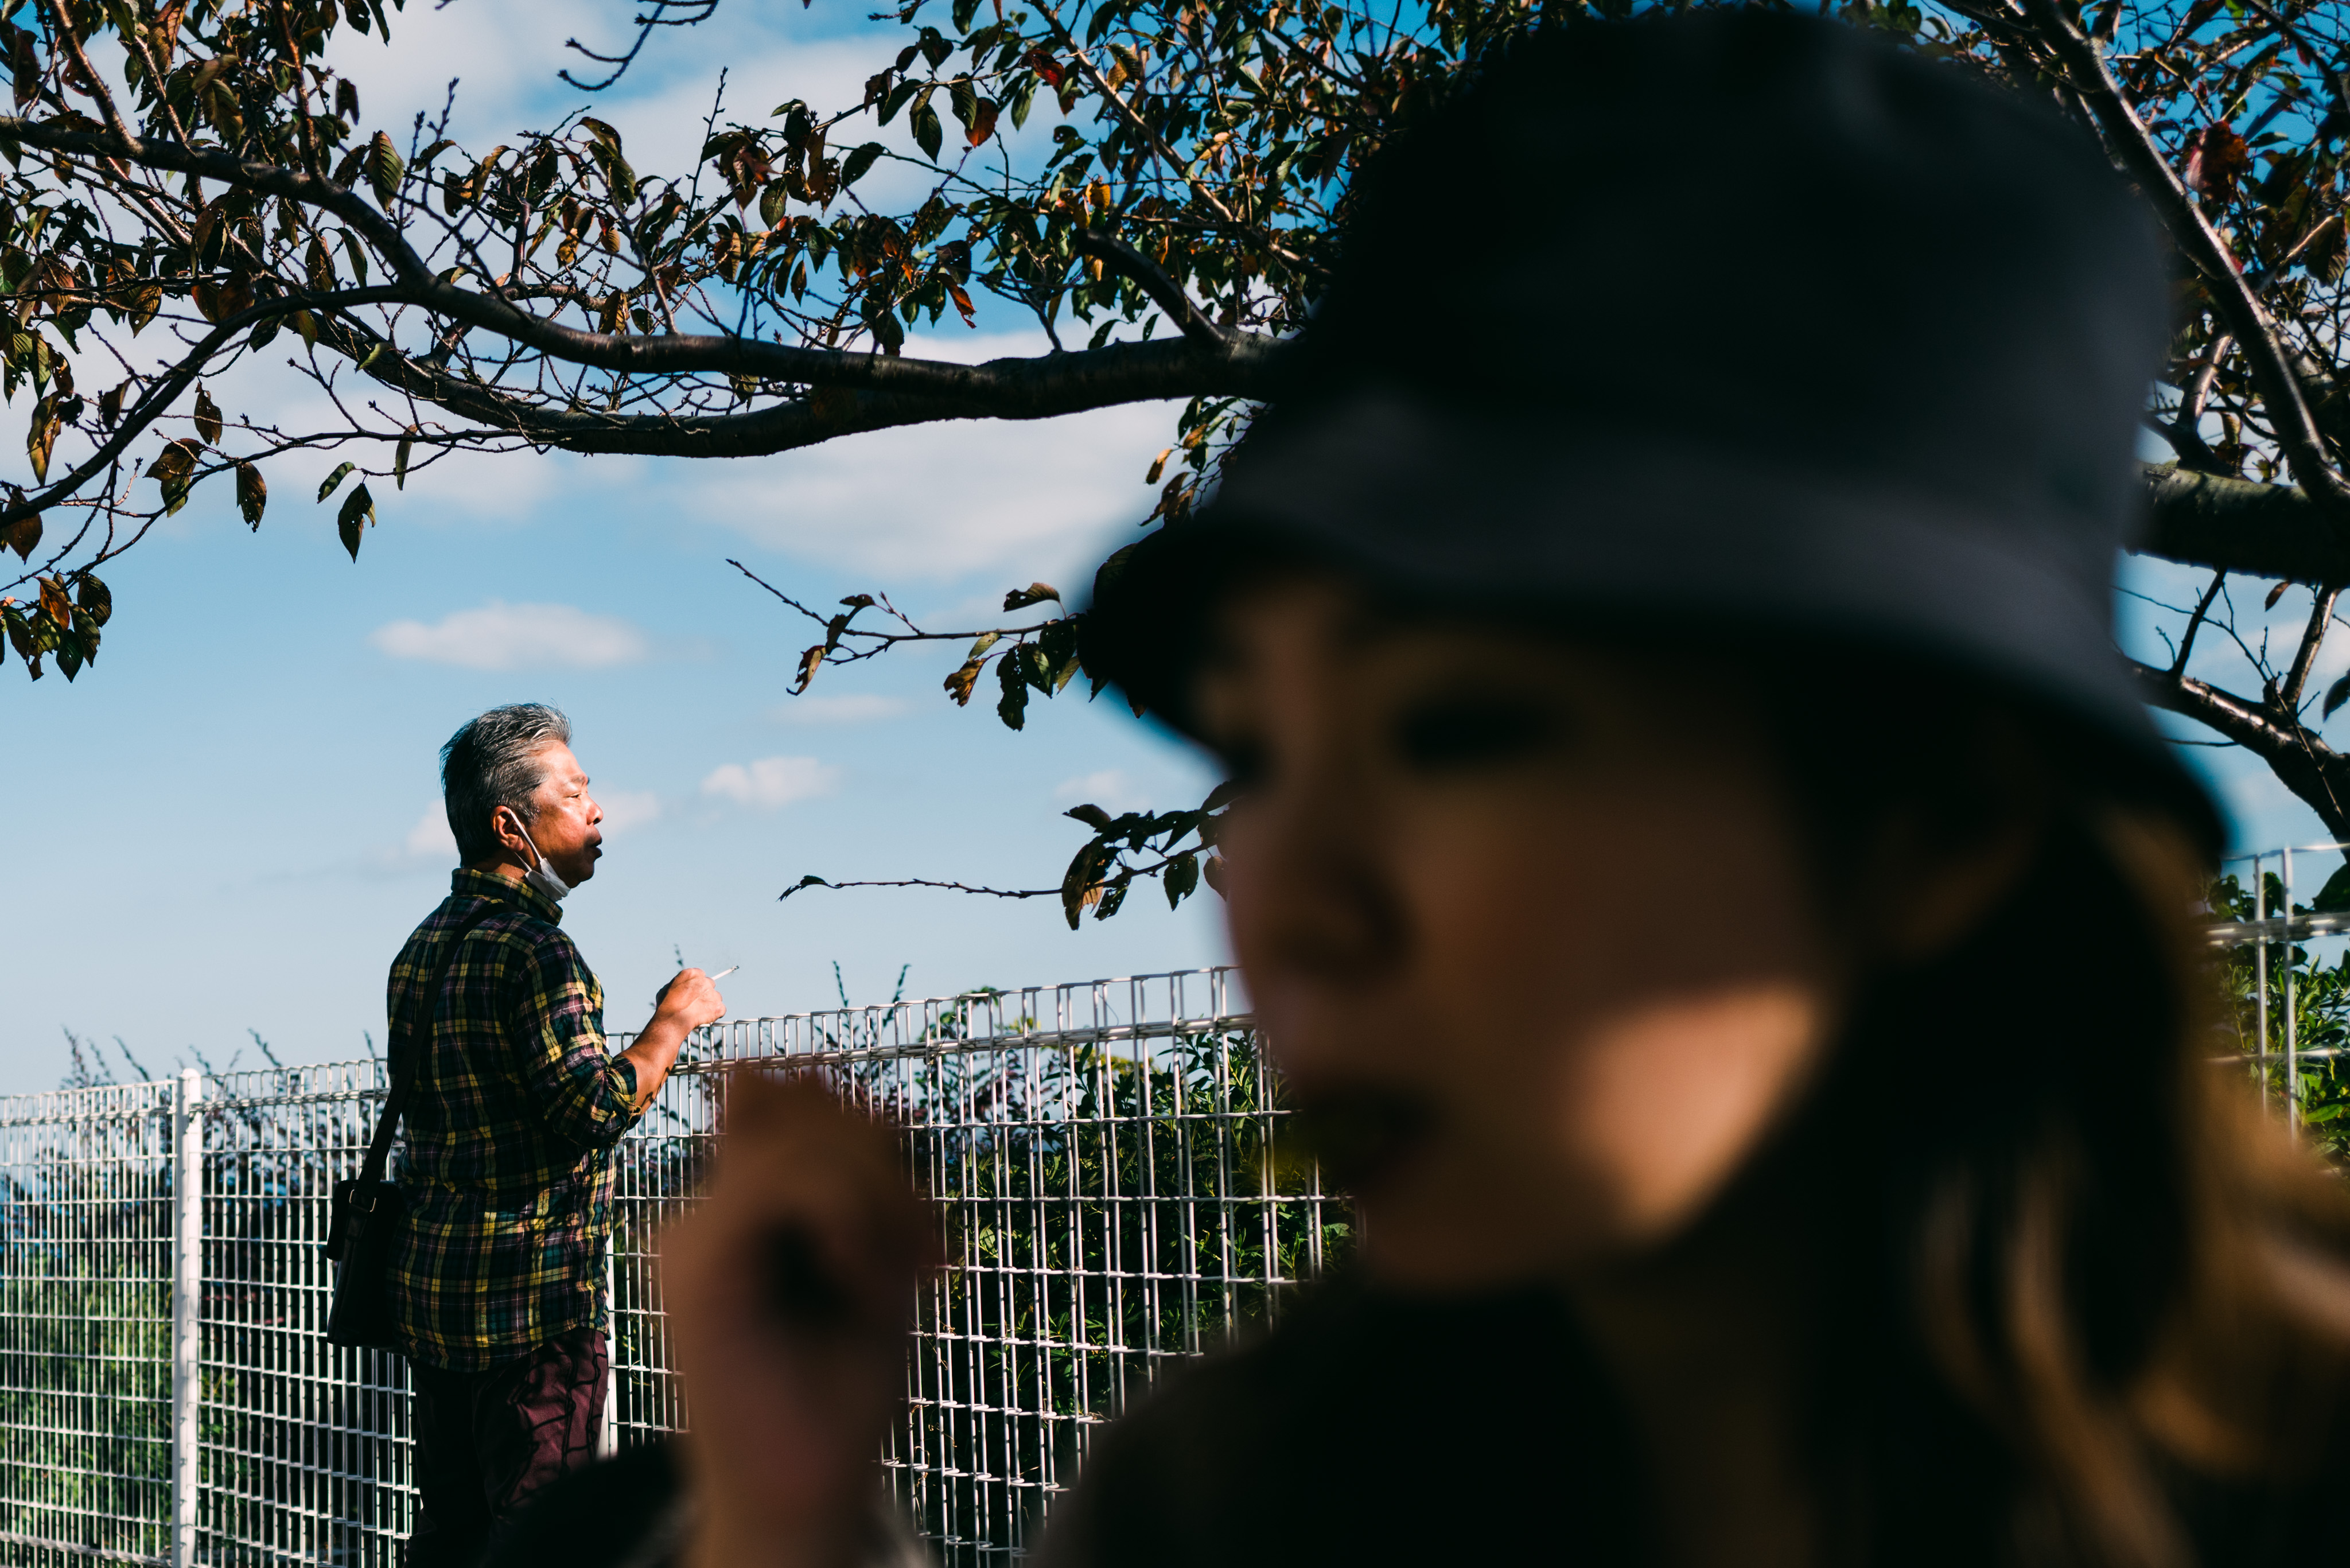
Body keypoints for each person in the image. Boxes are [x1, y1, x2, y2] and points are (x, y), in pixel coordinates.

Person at [498, 11, 2350, 1567]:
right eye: (1255, 750)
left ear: (1938, 814)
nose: (1279, 888)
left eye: (1460, 727)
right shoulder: (1240, 1499)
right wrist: (795, 1519)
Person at [391, 703, 726, 1567]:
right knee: (547, 1540)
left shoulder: (420, 950)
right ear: (512, 825)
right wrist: (671, 1024)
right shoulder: (537, 952)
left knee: (453, 1533)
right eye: (576, 792)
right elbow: (593, 1109)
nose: (598, 809)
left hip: (435, 1301)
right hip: (533, 1316)